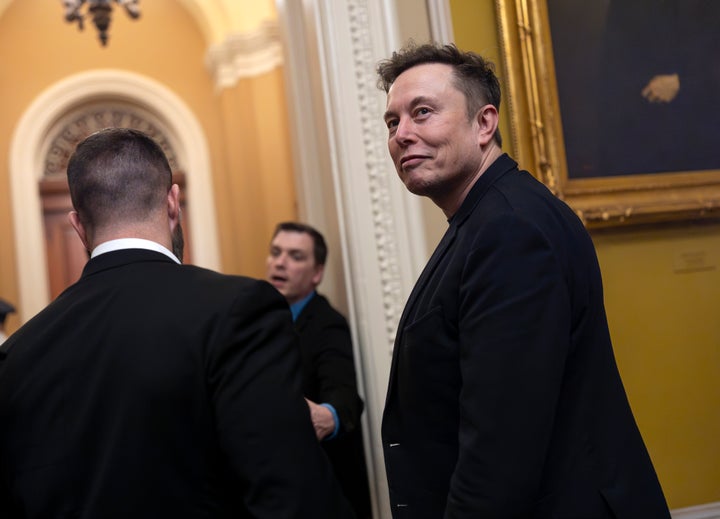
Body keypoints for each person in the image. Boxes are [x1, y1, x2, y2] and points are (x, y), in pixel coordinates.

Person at [377, 42, 671, 518]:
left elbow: (501, 445)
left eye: (423, 112)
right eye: (393, 122)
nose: (402, 134)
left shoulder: (509, 230)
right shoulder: (489, 219)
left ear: (484, 123)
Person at [0, 128, 353, 519]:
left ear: (78, 224)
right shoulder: (238, 310)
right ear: (173, 203)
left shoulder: (16, 354)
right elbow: (293, 494)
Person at [266, 222, 372, 519]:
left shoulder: (328, 324)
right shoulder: (259, 321)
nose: (280, 262)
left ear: (317, 273)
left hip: (326, 491)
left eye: (296, 256)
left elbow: (344, 396)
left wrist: (329, 415)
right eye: (275, 252)